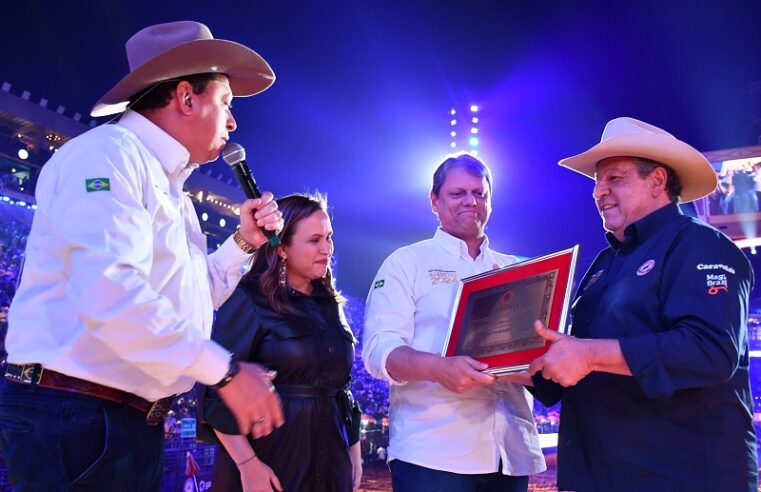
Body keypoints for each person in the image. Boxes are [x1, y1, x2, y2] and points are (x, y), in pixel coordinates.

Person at [0, 21, 286, 491]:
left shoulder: (171, 190)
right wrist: (228, 373)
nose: (233, 122)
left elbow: (193, 301)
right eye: (226, 104)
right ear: (186, 98)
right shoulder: (106, 157)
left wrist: (244, 244)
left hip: (117, 418)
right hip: (77, 413)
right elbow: (110, 292)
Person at [528, 117, 759, 491]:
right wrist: (509, 363)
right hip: (604, 474)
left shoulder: (702, 245)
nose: (598, 191)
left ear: (657, 181)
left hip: (681, 476)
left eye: (614, 178)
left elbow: (710, 350)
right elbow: (569, 370)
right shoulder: (604, 264)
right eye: (597, 181)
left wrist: (588, 355)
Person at [363, 152, 545, 492]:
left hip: (510, 453)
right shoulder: (406, 262)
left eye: (479, 193)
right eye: (457, 193)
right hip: (433, 454)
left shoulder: (517, 270)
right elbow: (378, 351)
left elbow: (538, 351)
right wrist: (440, 368)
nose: (470, 201)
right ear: (434, 200)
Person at [203, 193, 363, 492]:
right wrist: (248, 465)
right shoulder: (247, 297)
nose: (327, 249)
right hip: (271, 462)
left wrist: (352, 449)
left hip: (331, 463)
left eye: (328, 238)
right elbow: (216, 391)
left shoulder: (330, 303)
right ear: (282, 249)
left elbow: (342, 388)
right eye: (314, 240)